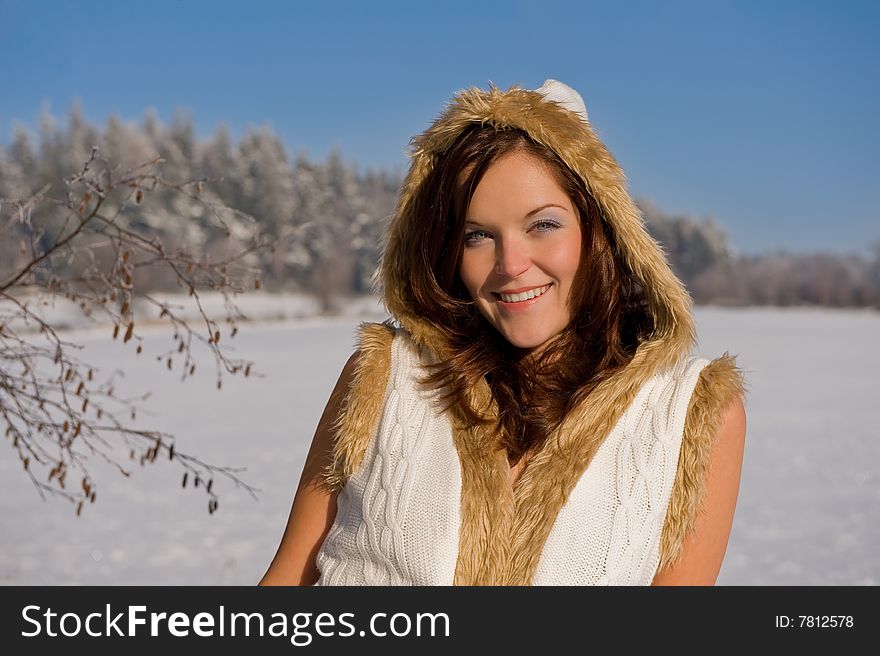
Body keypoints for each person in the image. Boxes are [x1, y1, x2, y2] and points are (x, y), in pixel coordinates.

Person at [260, 79, 747, 586]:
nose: (511, 265)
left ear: (599, 229)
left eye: (543, 225)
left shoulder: (692, 411)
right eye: (478, 236)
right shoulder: (384, 375)